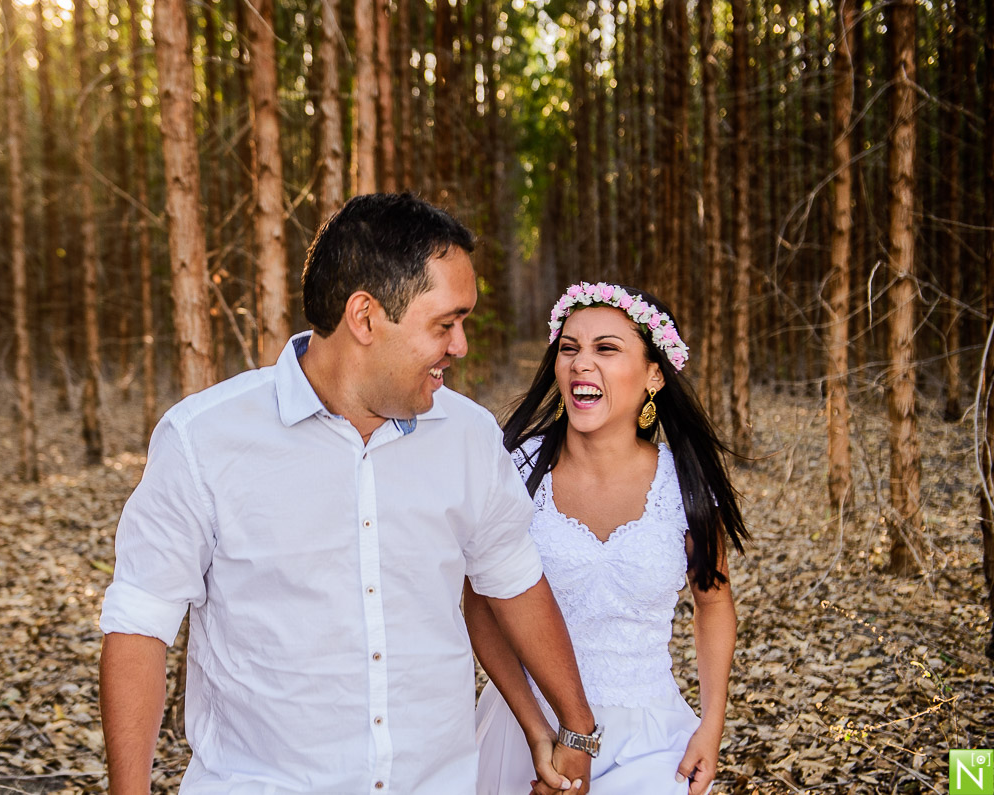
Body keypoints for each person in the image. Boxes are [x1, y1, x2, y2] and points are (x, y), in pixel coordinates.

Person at [98, 193, 601, 795]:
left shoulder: (468, 437)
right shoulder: (203, 440)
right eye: (445, 324)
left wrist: (573, 729)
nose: (461, 346)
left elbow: (512, 580)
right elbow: (140, 625)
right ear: (364, 318)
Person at [465, 282, 748, 795]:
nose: (580, 363)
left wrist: (712, 723)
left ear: (654, 375)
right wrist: (536, 730)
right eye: (569, 348)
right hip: (529, 729)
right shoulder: (516, 470)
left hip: (648, 737)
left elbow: (714, 602)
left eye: (606, 349)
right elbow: (481, 606)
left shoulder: (683, 483)